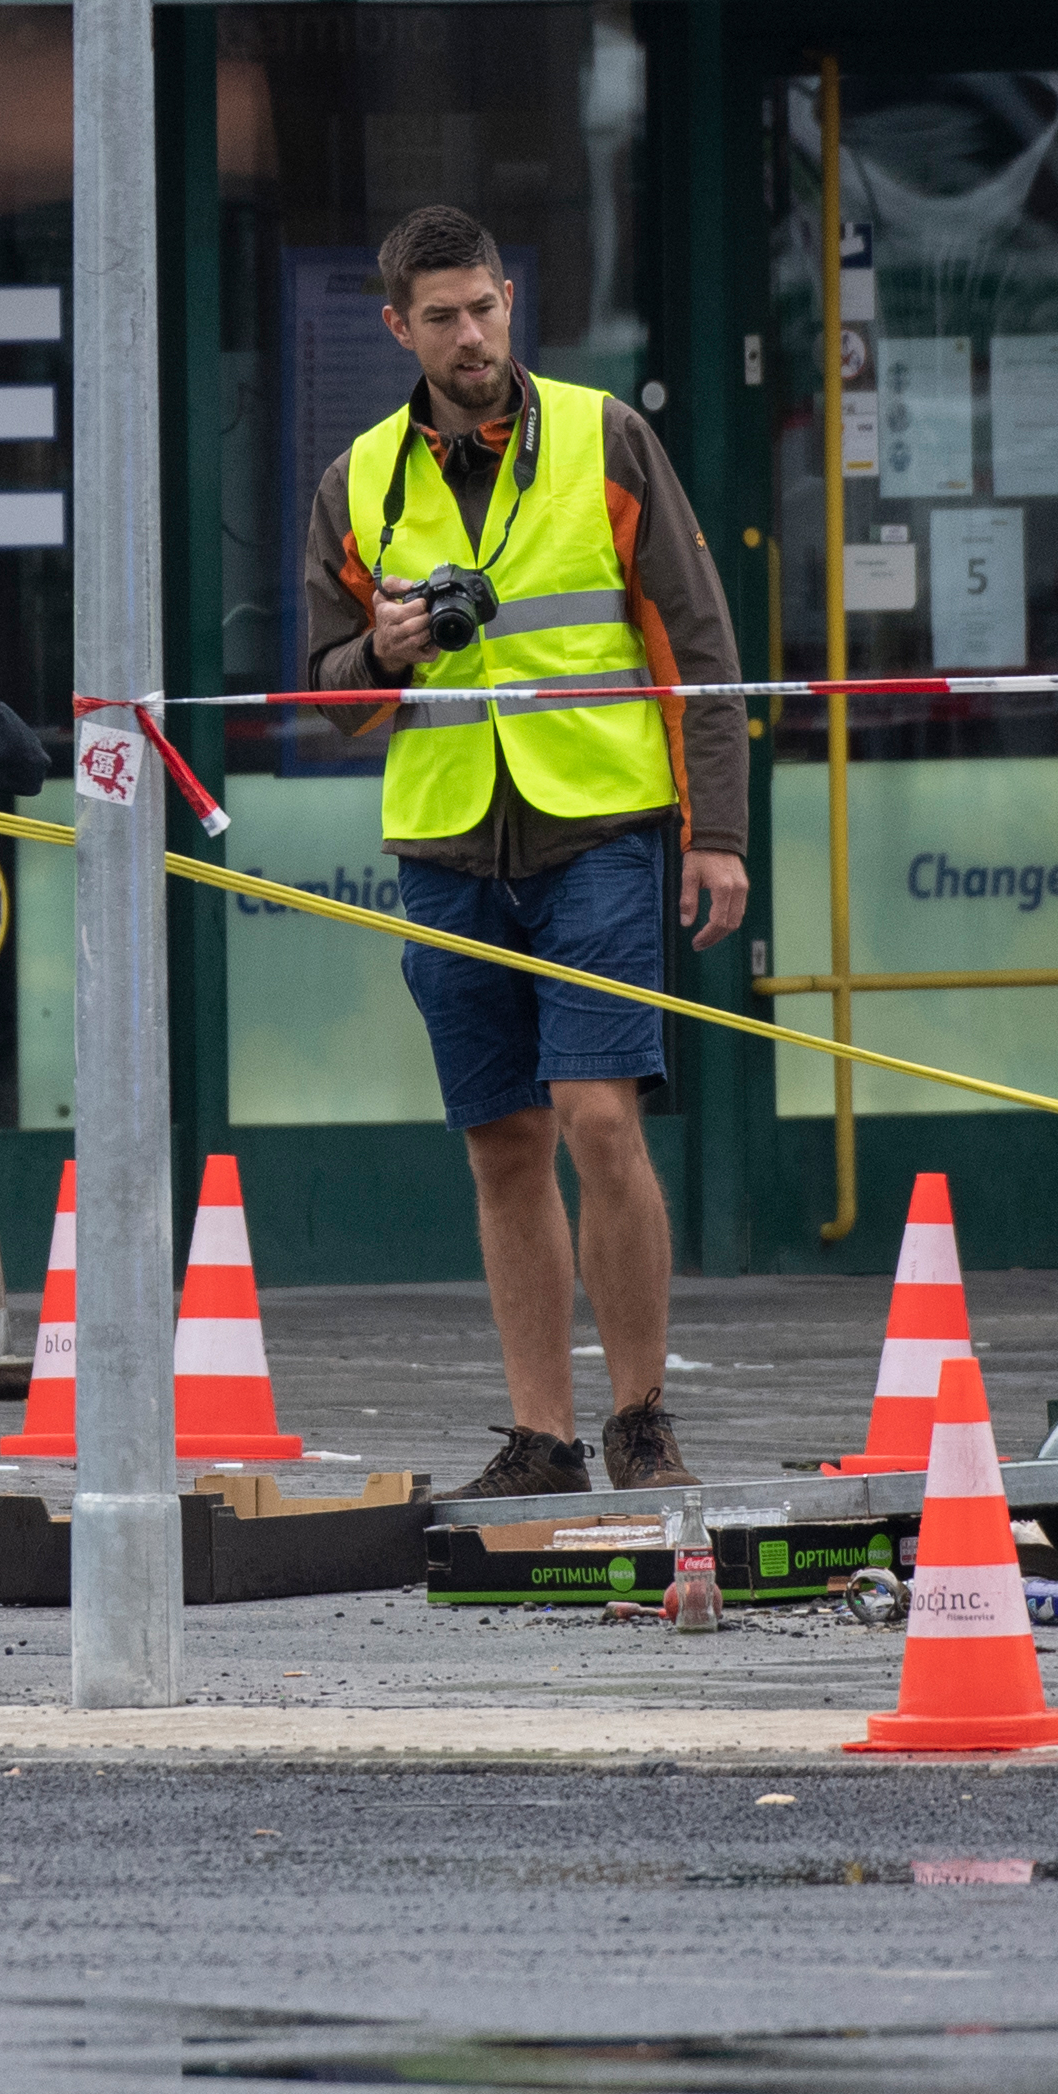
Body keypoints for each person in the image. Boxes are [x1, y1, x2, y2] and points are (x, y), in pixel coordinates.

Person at [302, 205, 750, 1504]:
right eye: (440, 316)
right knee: (502, 1143)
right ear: (399, 328)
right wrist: (377, 655)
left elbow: (699, 639)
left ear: (511, 300)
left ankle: (641, 1416)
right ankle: (543, 1437)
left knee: (599, 1119)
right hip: (446, 840)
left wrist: (711, 831)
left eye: (485, 306)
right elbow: (328, 702)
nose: (471, 334)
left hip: (599, 827)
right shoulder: (359, 480)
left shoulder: (606, 436)